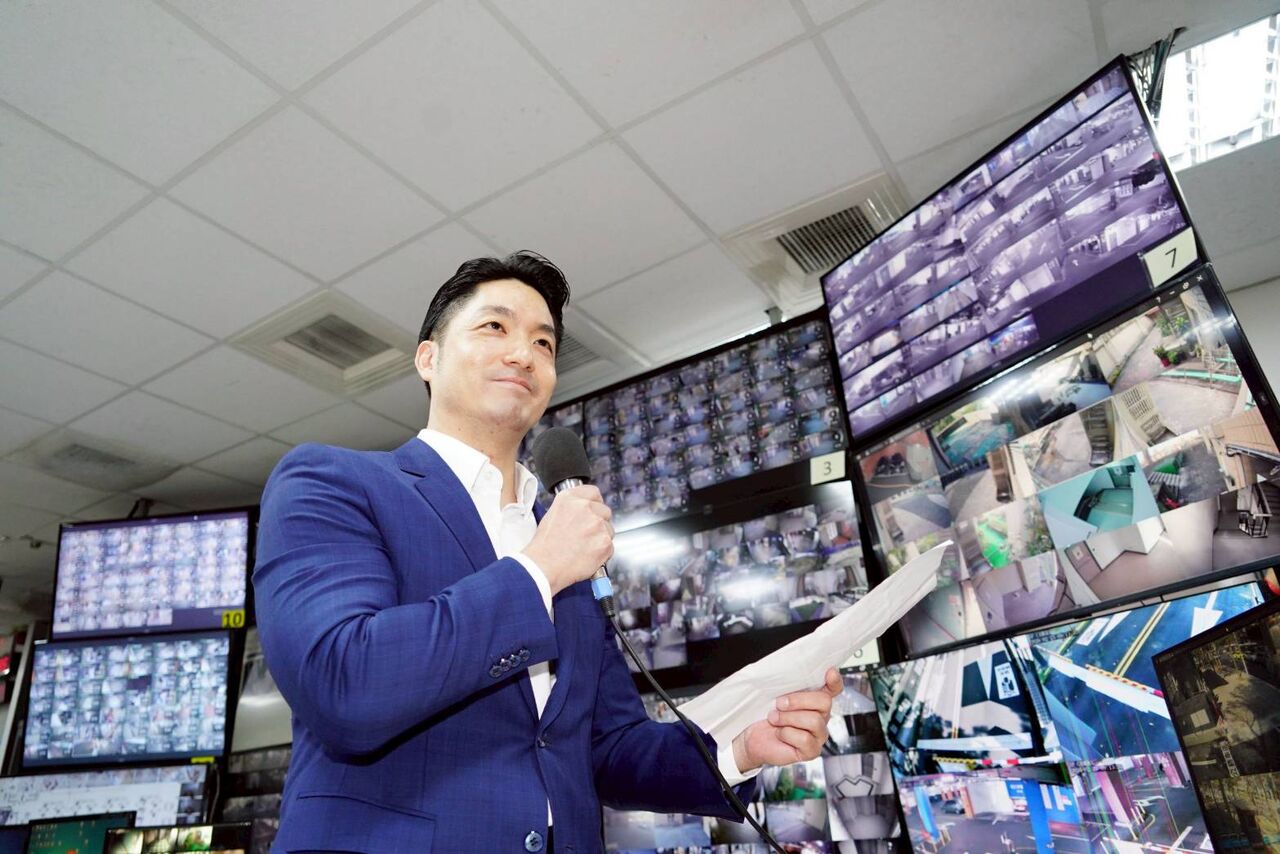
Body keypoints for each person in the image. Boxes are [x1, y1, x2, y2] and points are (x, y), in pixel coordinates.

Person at [254, 252, 841, 853]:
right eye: (494, 327)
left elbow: (606, 745)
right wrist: (538, 571)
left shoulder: (562, 538)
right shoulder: (331, 481)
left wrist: (740, 749)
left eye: (544, 343)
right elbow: (344, 683)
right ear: (428, 358)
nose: (523, 353)